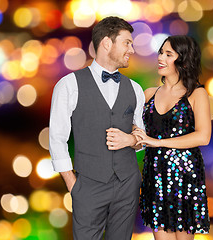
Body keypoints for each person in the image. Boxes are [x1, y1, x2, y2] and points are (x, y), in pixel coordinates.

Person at [49, 16, 145, 240]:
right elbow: (57, 138)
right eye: (127, 43)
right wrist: (73, 185)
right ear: (106, 43)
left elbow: (142, 136)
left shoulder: (135, 88)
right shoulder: (68, 85)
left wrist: (131, 140)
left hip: (127, 183)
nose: (132, 49)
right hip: (88, 185)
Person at [132, 35, 211, 240]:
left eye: (168, 54)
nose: (161, 58)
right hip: (155, 175)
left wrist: (157, 143)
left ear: (183, 60)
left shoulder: (196, 93)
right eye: (160, 52)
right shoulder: (148, 93)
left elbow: (203, 136)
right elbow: (137, 130)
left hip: (185, 176)